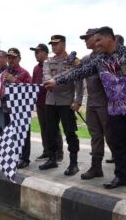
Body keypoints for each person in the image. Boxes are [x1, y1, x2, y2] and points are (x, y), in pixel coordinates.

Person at [45, 26, 126, 196]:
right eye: (94, 41)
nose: (95, 44)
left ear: (110, 38)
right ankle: (120, 176)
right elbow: (79, 72)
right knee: (118, 145)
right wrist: (56, 80)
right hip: (115, 109)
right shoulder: (98, 60)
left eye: (98, 40)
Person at [39, 35, 84, 176]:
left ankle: (73, 163)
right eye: (52, 44)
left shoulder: (73, 61)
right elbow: (45, 75)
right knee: (50, 132)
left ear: (64, 44)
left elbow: (79, 82)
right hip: (51, 100)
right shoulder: (48, 61)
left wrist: (78, 101)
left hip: (66, 101)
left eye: (56, 44)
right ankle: (52, 158)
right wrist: (50, 82)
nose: (53, 46)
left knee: (70, 132)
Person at [78, 28, 114, 180]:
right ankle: (96, 167)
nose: (86, 41)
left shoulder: (106, 55)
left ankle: (121, 168)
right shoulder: (86, 59)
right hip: (92, 103)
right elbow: (78, 77)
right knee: (95, 136)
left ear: (96, 38)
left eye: (88, 38)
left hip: (106, 103)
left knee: (111, 136)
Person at [30, 43, 64, 161]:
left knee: (53, 128)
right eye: (35, 52)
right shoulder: (35, 68)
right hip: (39, 102)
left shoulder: (51, 64)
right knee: (43, 128)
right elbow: (33, 84)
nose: (36, 54)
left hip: (50, 101)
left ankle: (58, 153)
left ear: (45, 52)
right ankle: (47, 150)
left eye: (38, 52)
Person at [106, 34, 126, 166]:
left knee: (125, 132)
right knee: (115, 132)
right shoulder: (108, 58)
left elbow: (125, 76)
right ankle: (116, 155)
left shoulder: (123, 58)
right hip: (114, 101)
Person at [4, 48, 32, 168]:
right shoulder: (4, 72)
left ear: (19, 58)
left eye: (13, 58)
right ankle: (12, 156)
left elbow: (30, 89)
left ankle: (25, 158)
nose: (11, 60)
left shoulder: (24, 73)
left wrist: (14, 80)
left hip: (21, 108)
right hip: (6, 107)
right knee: (9, 133)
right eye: (9, 58)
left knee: (23, 134)